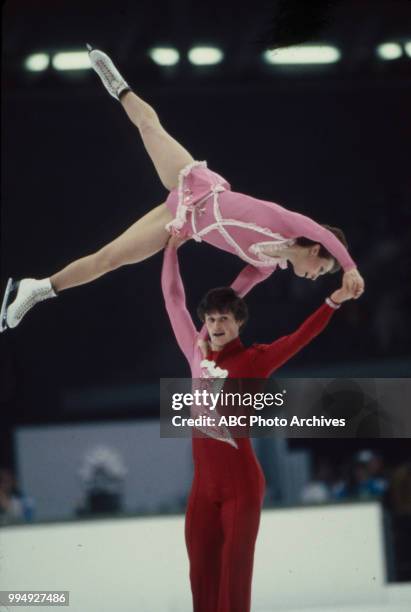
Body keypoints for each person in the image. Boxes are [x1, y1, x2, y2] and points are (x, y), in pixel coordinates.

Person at [0, 45, 364, 332]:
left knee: (108, 259)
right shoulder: (290, 225)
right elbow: (319, 230)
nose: (316, 276)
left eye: (322, 275)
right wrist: (350, 267)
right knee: (150, 129)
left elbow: (231, 299)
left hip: (183, 223)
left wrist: (207, 340)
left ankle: (37, 288)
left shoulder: (266, 266)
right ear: (315, 249)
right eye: (322, 268)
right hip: (197, 187)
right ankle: (119, 85)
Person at [161, 234, 357, 612]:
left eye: (225, 319)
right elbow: (173, 300)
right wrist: (170, 248)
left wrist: (333, 301)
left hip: (241, 487)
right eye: (212, 318)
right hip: (202, 489)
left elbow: (300, 337)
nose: (216, 325)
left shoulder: (255, 361)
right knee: (201, 581)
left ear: (239, 323)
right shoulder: (194, 354)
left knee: (234, 582)